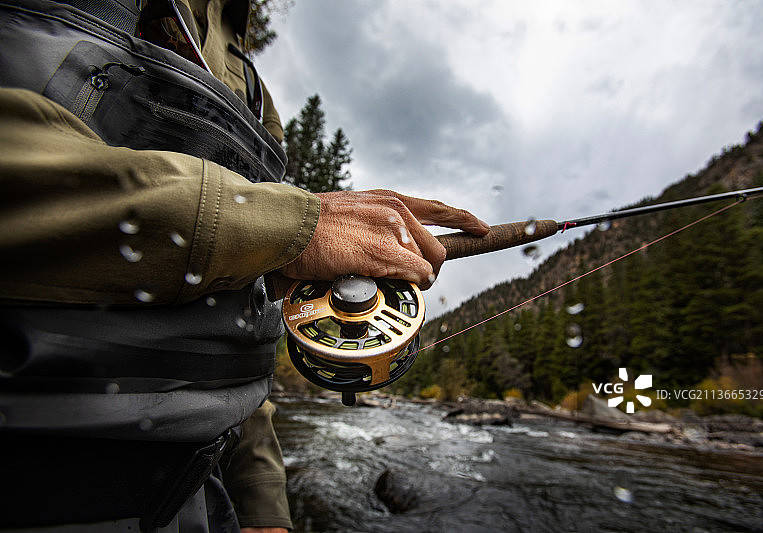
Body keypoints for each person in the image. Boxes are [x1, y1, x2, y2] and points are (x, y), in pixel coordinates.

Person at [0, 0, 490, 531]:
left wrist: (260, 497)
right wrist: (293, 226)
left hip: (195, 494)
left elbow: (242, 312)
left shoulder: (252, 88)